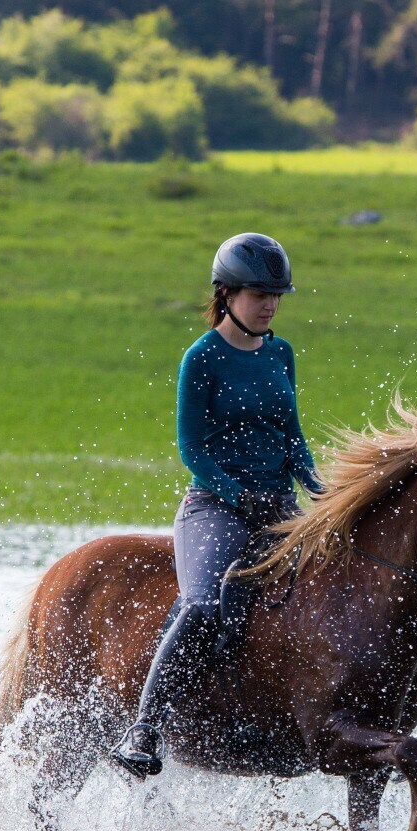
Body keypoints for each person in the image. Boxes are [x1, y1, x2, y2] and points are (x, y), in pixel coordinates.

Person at [110, 232, 324, 777]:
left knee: (326, 596)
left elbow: (292, 436)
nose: (270, 304)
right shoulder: (201, 357)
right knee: (204, 606)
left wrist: (319, 491)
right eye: (259, 293)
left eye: (277, 295)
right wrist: (236, 493)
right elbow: (193, 449)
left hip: (279, 506)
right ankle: (145, 728)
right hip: (216, 506)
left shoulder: (281, 352)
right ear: (226, 294)